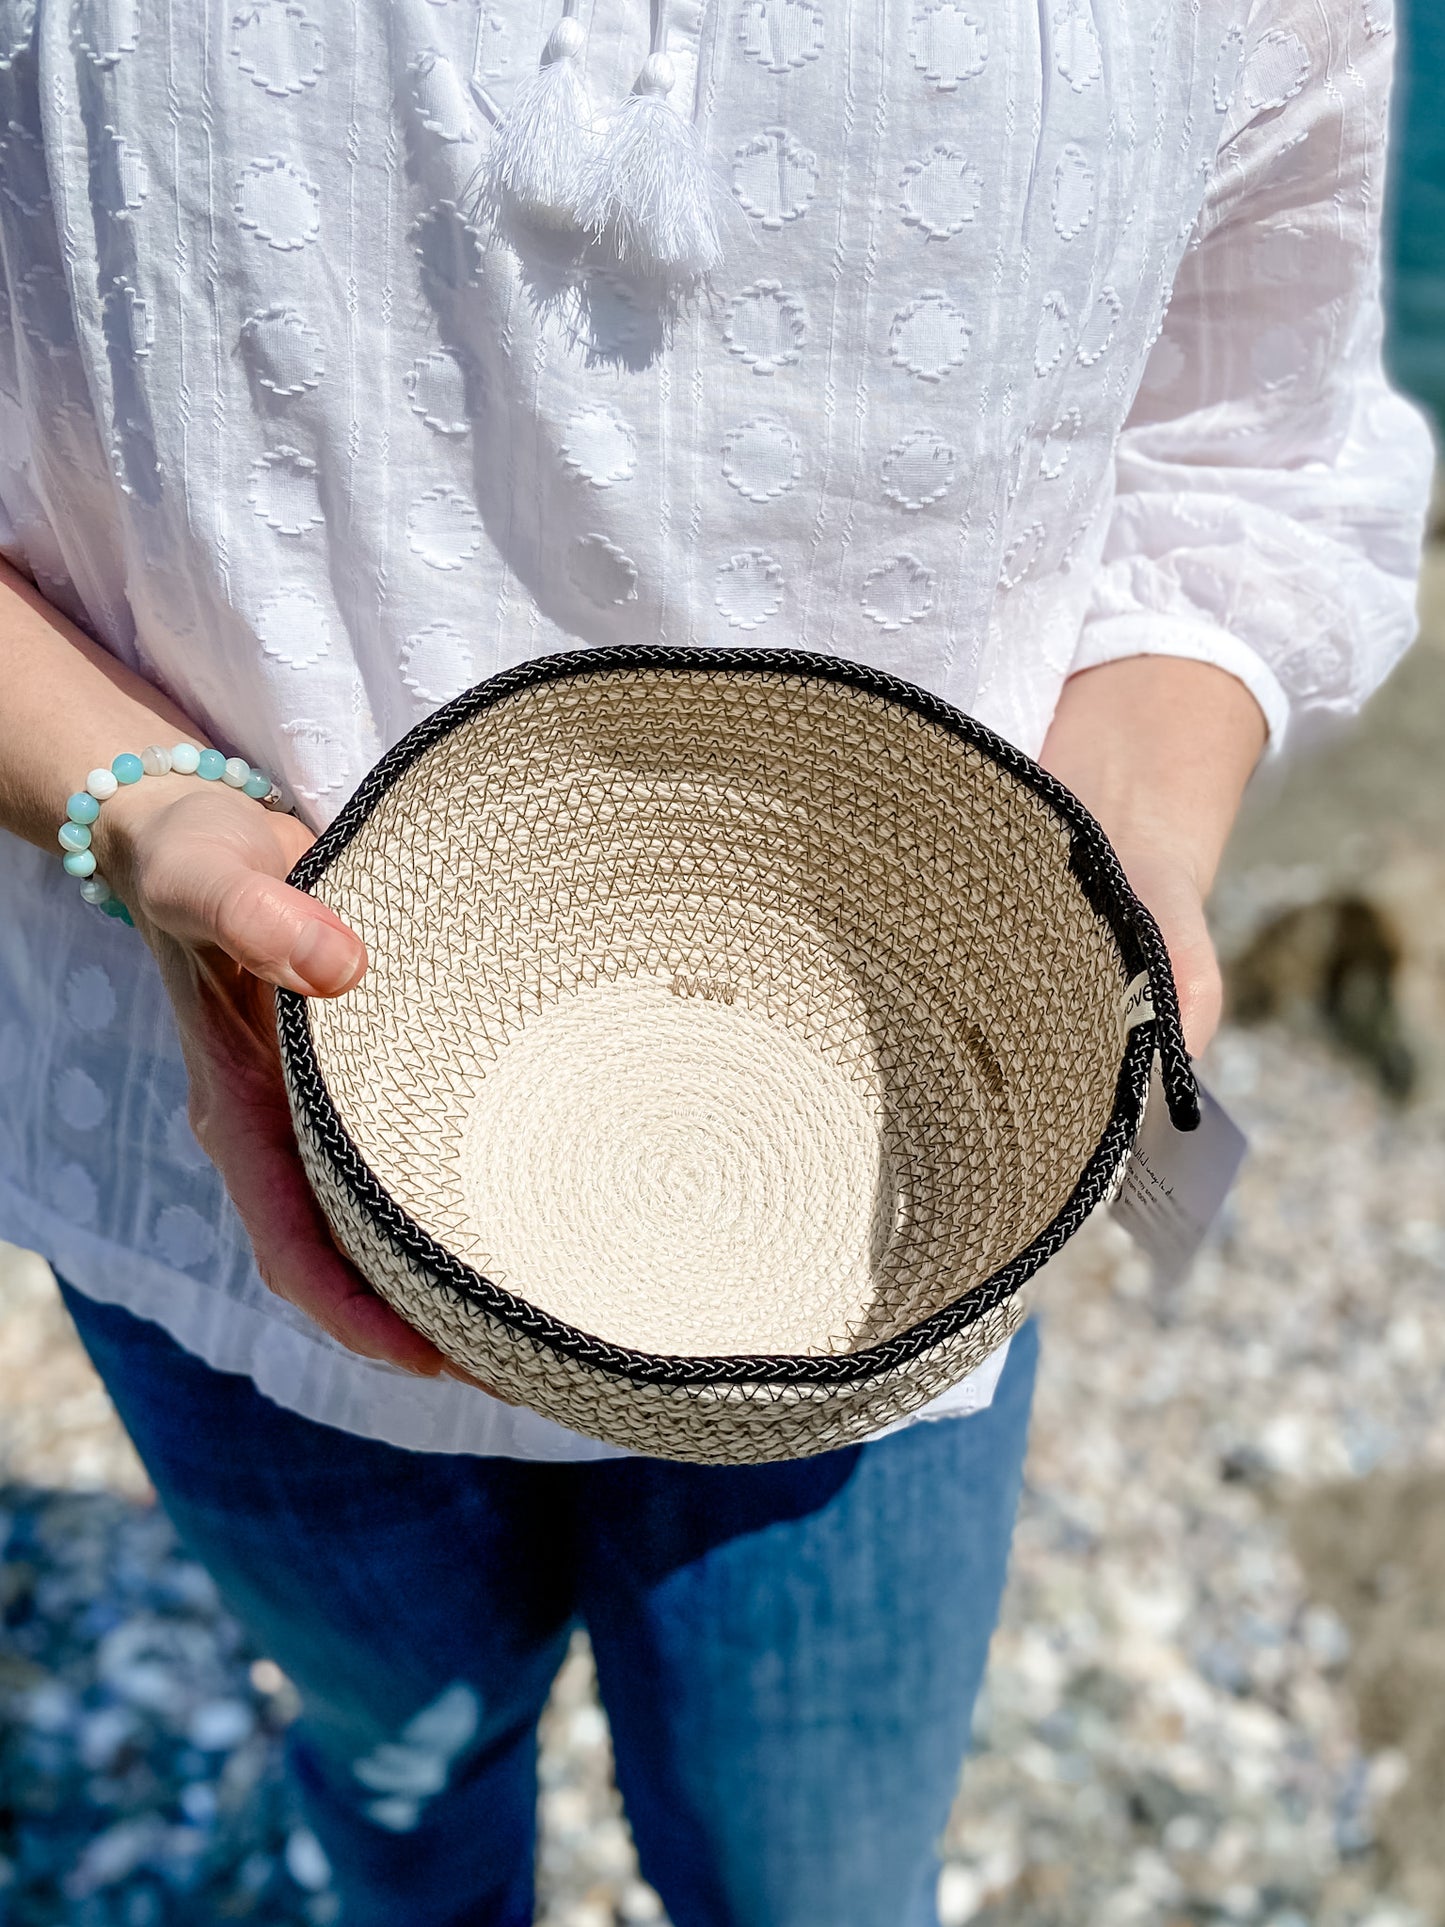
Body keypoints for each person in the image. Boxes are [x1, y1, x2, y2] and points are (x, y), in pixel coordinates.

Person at [0, 1, 1432, 1921]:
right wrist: (132, 803)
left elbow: (1239, 456)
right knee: (405, 1779)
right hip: (219, 1167)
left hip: (905, 1215)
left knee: (806, 1886)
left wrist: (1133, 851)